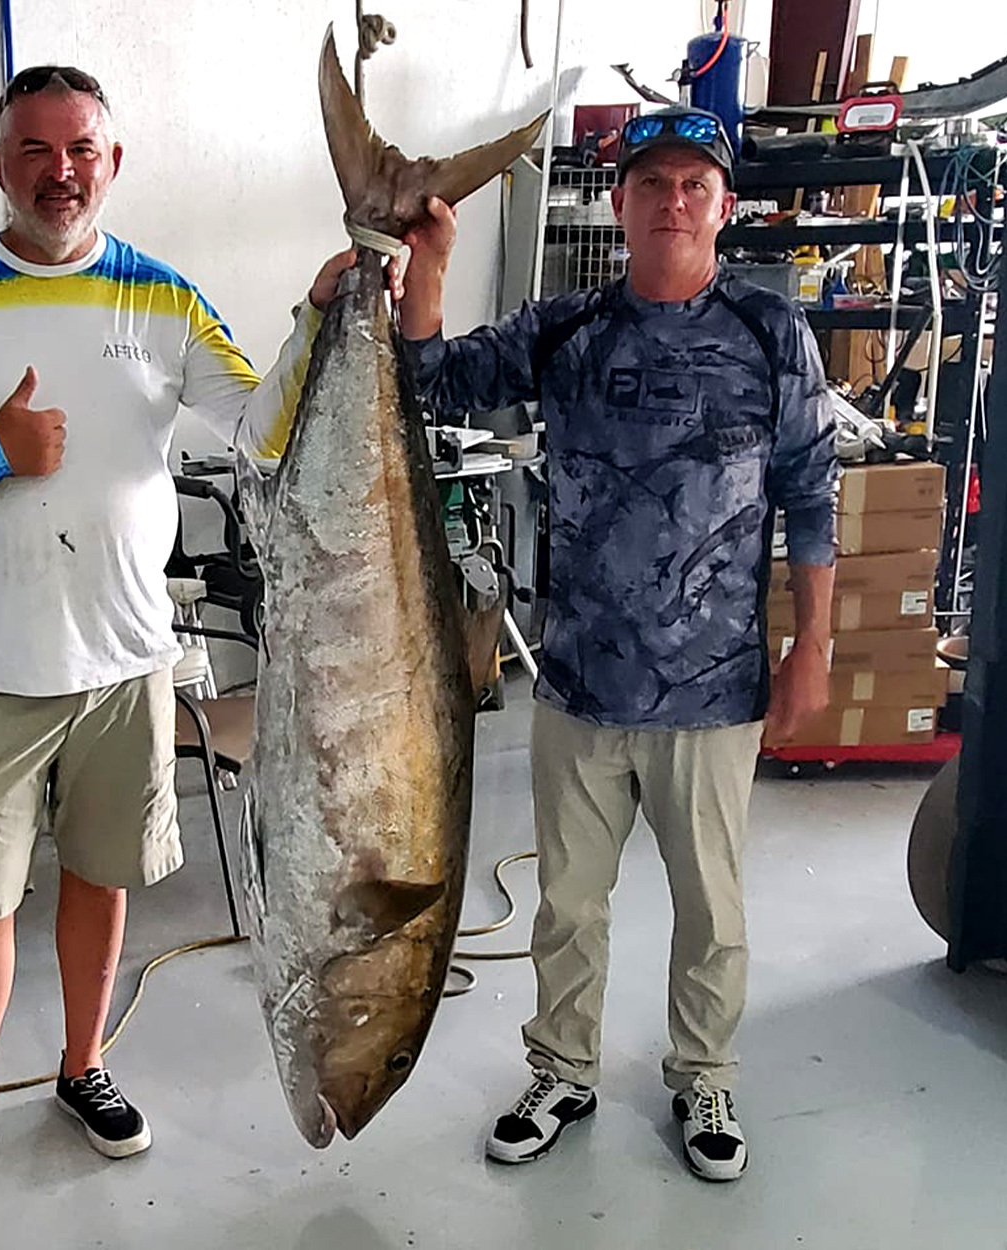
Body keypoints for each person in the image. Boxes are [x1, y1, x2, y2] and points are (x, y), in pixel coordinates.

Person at [0, 65, 352, 1229]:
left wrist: (319, 312)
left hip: (126, 662)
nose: (60, 170)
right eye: (35, 148)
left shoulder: (164, 299)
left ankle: (81, 1067)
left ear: (112, 163)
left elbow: (261, 423)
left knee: (102, 878)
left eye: (82, 148)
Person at [395, 106, 839, 1182]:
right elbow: (429, 381)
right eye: (654, 184)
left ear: (725, 207)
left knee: (713, 909)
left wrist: (813, 644)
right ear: (621, 205)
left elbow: (812, 496)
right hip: (581, 682)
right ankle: (562, 1068)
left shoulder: (772, 335)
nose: (674, 202)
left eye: (695, 185)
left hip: (715, 691)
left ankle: (705, 1076)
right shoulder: (565, 328)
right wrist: (430, 267)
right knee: (568, 902)